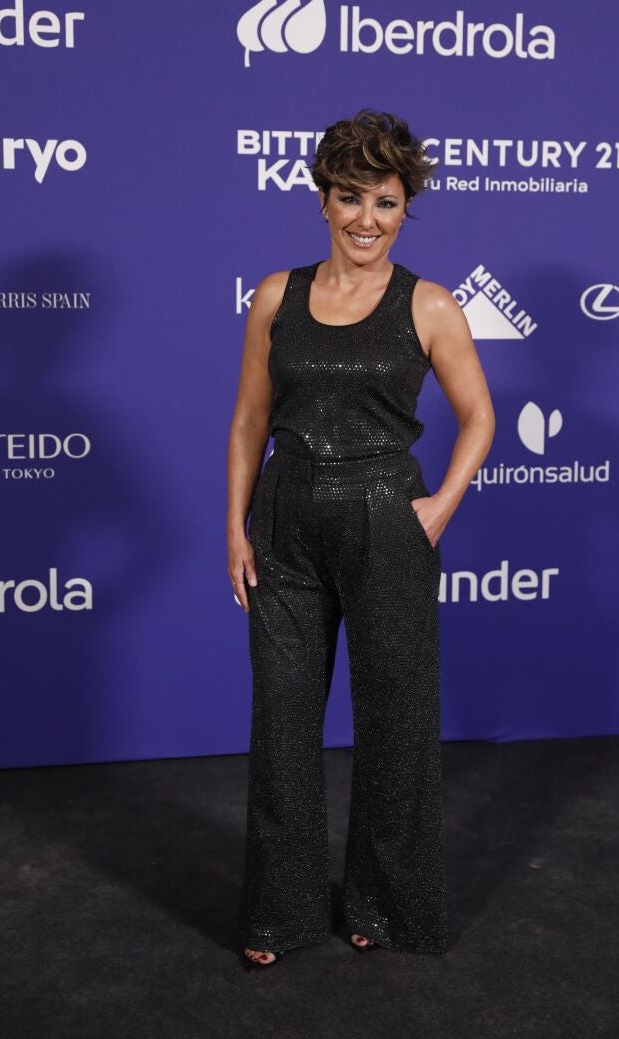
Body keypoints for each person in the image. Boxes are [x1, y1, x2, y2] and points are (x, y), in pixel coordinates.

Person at [226, 108, 495, 968]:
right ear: (323, 200)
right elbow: (248, 421)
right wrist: (234, 527)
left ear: (404, 206)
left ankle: (384, 906)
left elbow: (480, 415)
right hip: (286, 523)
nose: (367, 220)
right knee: (283, 727)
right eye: (351, 198)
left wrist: (442, 503)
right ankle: (280, 913)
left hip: (388, 520)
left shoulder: (430, 303)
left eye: (386, 202)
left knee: (397, 727)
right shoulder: (277, 295)